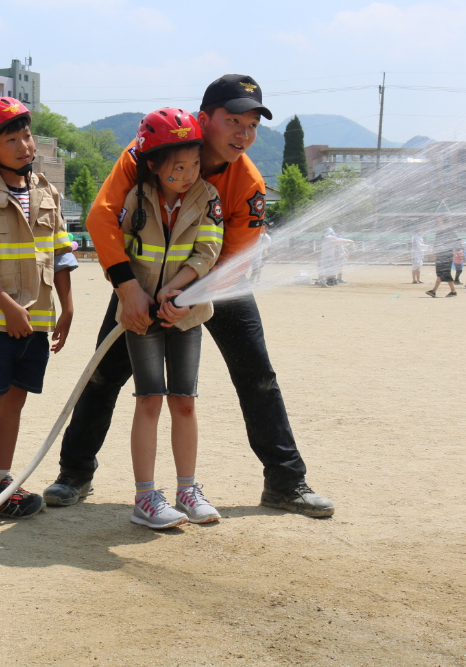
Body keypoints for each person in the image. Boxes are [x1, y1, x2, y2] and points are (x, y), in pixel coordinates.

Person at [43, 74, 334, 517]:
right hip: (137, 280)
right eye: (233, 120)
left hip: (211, 281)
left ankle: (285, 481)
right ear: (204, 120)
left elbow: (234, 254)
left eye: (253, 125)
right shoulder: (150, 149)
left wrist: (187, 292)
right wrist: (128, 290)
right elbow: (103, 216)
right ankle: (74, 474)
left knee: (257, 376)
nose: (244, 133)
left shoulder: (249, 182)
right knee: (103, 376)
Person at [0, 96, 75, 518]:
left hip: (38, 317)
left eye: (26, 135)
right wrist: (8, 306)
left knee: (16, 398)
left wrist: (67, 306)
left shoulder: (46, 191)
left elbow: (61, 252)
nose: (24, 145)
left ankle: (3, 478)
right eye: (11, 139)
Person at [115, 109, 223, 529]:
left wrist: (178, 288)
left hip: (188, 314)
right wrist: (136, 298)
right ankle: (145, 498)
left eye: (195, 163)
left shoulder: (208, 198)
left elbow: (208, 252)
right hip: (141, 314)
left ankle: (187, 490)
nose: (190, 173)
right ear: (154, 165)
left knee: (184, 401)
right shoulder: (135, 198)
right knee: (148, 400)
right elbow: (120, 251)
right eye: (179, 166)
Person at [426, 216, 459, 298]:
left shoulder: (450, 232)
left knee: (444, 273)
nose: (438, 222)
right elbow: (436, 243)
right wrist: (434, 251)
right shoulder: (440, 232)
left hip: (447, 255)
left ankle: (434, 291)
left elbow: (455, 242)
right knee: (442, 273)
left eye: (440, 221)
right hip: (440, 255)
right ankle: (452, 291)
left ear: (443, 222)